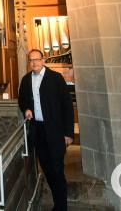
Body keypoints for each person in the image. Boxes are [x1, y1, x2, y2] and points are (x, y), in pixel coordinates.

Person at [18, 48, 74, 211]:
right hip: (38, 131)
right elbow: (22, 99)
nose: (34, 62)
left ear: (43, 60)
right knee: (47, 169)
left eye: (37, 59)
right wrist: (26, 108)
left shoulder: (55, 78)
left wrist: (68, 133)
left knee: (57, 170)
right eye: (31, 60)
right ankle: (58, 205)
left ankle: (61, 207)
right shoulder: (26, 79)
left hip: (55, 131)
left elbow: (67, 106)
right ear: (29, 63)